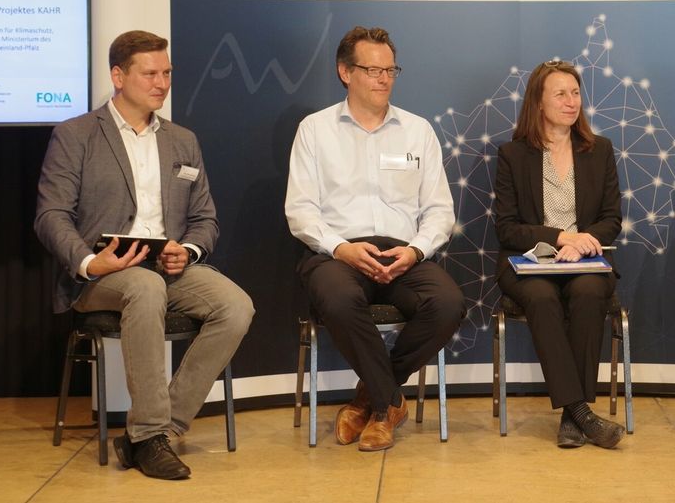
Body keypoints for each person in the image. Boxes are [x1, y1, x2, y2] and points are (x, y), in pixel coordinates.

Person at [34, 30, 255, 480]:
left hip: (166, 268)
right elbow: (51, 215)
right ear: (118, 76)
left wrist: (187, 251)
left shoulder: (182, 140)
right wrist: (89, 262)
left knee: (236, 306)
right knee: (146, 286)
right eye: (150, 73)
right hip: (101, 274)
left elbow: (205, 219)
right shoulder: (76, 135)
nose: (161, 83)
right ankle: (151, 434)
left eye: (167, 73)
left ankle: (156, 432)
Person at [285, 26, 464, 452]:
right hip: (337, 252)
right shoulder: (315, 130)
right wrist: (341, 248)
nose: (384, 79)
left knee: (448, 303)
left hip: (403, 252)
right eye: (372, 70)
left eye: (390, 70)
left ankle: (370, 396)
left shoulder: (418, 130)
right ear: (345, 72)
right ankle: (388, 406)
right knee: (338, 299)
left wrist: (415, 250)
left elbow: (439, 210)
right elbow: (301, 210)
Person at [493, 60, 626, 449]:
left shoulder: (599, 150)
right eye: (561, 94)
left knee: (589, 292)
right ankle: (581, 412)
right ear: (538, 102)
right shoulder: (513, 155)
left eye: (576, 93)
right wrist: (561, 237)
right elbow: (507, 228)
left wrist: (584, 240)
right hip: (528, 263)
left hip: (585, 261)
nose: (572, 102)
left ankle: (572, 416)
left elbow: (612, 219)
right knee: (541, 297)